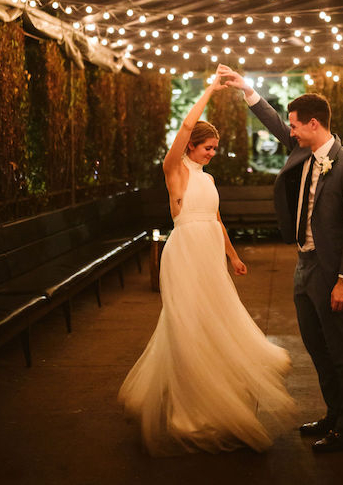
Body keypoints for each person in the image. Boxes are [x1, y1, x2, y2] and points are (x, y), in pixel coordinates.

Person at [118, 78, 296, 456]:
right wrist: (211, 92)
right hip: (183, 251)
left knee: (212, 319)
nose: (212, 153)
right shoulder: (175, 170)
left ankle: (215, 387)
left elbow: (216, 218)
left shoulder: (209, 179)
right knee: (185, 323)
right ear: (192, 147)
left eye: (215, 149)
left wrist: (232, 255)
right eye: (208, 148)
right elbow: (184, 127)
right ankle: (189, 404)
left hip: (210, 250)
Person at [216, 64, 343, 453]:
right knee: (317, 347)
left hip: (331, 269)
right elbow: (273, 124)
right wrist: (246, 89)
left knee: (341, 349)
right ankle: (333, 414)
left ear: (314, 124)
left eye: (296, 126)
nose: (291, 132)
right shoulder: (303, 151)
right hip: (303, 265)